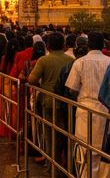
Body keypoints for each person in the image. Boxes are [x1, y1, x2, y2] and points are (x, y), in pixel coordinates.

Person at [65, 32, 110, 178]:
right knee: (102, 150)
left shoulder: (80, 62)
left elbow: (71, 88)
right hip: (105, 110)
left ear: (88, 46)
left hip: (85, 109)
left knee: (84, 150)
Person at [28, 32, 73, 164]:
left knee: (50, 135)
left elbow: (32, 79)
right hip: (65, 102)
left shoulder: (44, 60)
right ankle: (66, 164)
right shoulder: (70, 60)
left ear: (47, 46)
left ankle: (51, 165)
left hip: (48, 101)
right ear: (64, 45)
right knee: (65, 133)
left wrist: (41, 87)